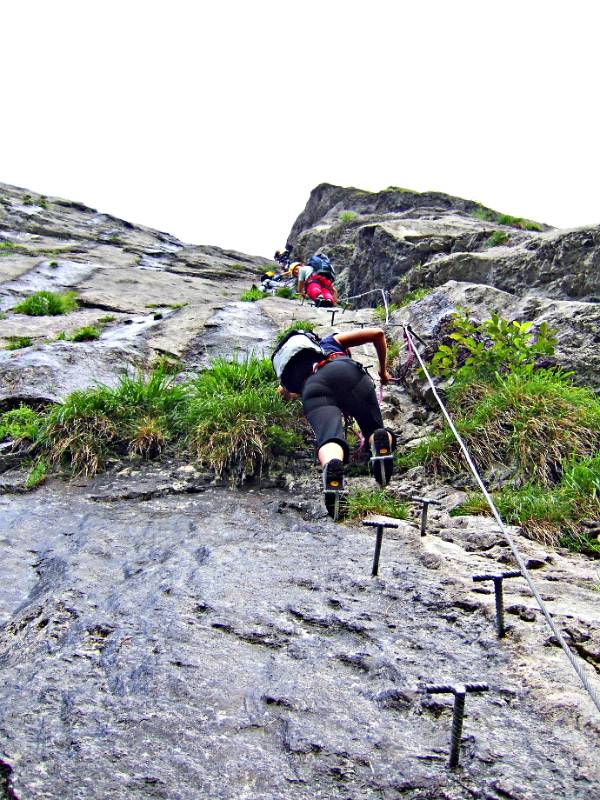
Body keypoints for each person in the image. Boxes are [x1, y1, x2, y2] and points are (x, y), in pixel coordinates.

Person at [273, 327, 396, 518]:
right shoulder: (331, 341)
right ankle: (378, 441)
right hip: (346, 370)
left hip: (313, 386)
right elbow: (377, 334)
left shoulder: (296, 370)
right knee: (373, 427)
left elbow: (284, 393)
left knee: (329, 437)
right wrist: (383, 371)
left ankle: (332, 465)